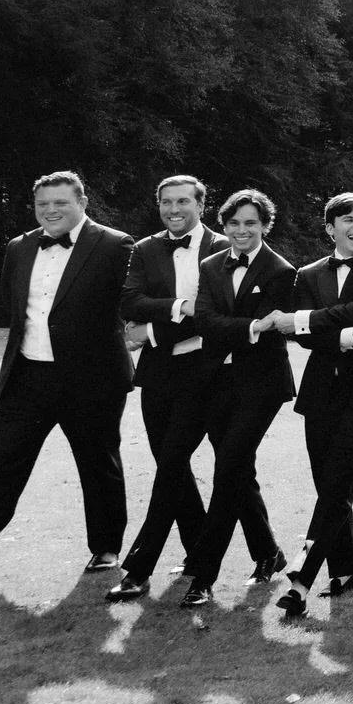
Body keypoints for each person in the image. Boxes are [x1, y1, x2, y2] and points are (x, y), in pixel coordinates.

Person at [109, 175, 273, 601]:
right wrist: (179, 308)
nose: (174, 209)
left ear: (202, 204)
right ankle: (261, 551)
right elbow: (129, 302)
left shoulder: (228, 245)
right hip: (161, 376)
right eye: (166, 202)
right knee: (173, 465)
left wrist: (153, 331)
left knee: (229, 467)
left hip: (213, 374)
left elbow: (215, 317)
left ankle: (142, 568)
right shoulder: (144, 248)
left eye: (183, 201)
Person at [0, 171, 133, 587]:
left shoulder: (115, 245)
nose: (50, 211)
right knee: (3, 467)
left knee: (98, 464)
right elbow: (16, 308)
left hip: (91, 382)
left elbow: (129, 305)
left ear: (82, 202)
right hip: (27, 377)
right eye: (43, 204)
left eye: (60, 203)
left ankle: (105, 549)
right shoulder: (18, 247)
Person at [272, 193, 353, 617]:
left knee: (339, 474)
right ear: (330, 228)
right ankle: (344, 571)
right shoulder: (307, 274)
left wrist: (308, 320)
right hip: (321, 389)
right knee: (330, 483)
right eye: (348, 220)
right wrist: (347, 336)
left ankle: (301, 577)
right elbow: (303, 335)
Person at [179, 189, 297, 607]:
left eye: (251, 223)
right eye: (234, 223)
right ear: (224, 226)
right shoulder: (211, 264)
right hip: (214, 381)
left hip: (262, 385)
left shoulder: (282, 270)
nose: (242, 230)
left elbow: (259, 328)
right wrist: (247, 326)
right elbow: (205, 321)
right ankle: (268, 553)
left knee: (227, 468)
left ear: (265, 225)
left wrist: (234, 328)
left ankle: (202, 574)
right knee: (238, 468)